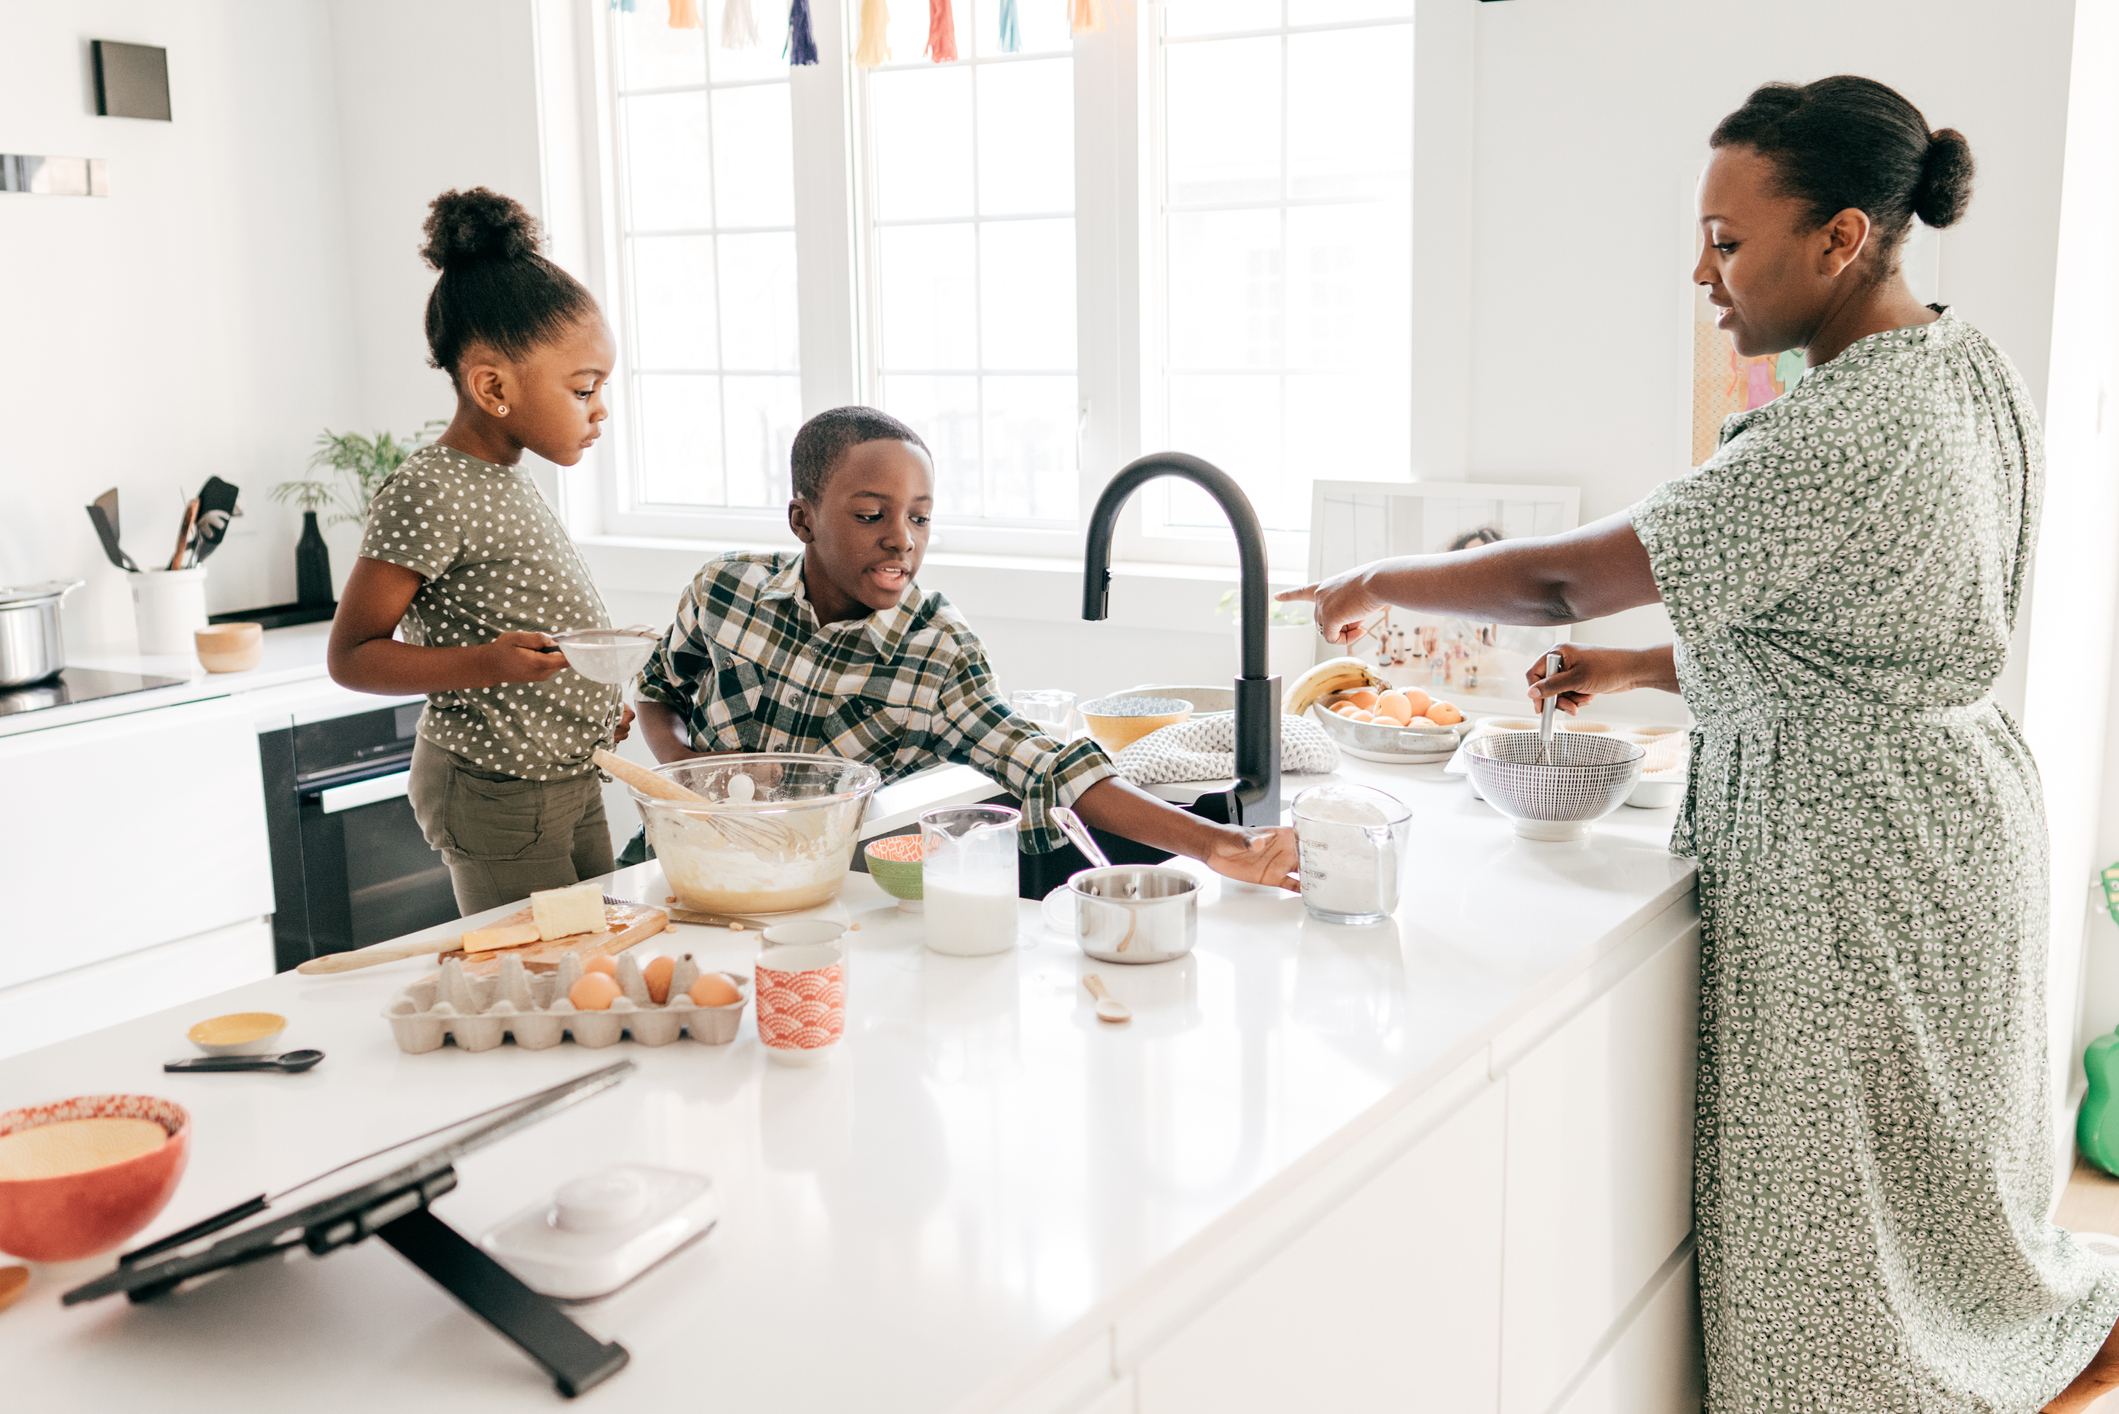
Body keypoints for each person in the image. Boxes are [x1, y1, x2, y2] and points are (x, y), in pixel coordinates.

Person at [1280, 77, 2119, 1411]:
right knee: (1928, 1187)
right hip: (1947, 813)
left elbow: (1566, 579)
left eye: (1725, 241)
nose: (1700, 272)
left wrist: (1377, 579)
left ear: (1839, 240)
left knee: (1837, 1206)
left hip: (1857, 851)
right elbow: (1858, 624)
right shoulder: (1959, 364)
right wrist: (1638, 669)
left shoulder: (1839, 425)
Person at [631, 405, 1298, 892]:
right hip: (675, 867)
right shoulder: (724, 588)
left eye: (918, 517)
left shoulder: (937, 650)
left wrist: (1218, 844)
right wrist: (692, 776)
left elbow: (1050, 769)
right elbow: (659, 689)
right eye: (871, 516)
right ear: (802, 518)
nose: (902, 540)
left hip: (812, 896)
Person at [328, 187, 633, 916]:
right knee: (547, 981)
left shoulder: (505, 478)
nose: (600, 410)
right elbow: (353, 655)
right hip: (496, 791)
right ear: (493, 386)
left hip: (566, 775)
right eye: (584, 389)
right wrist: (488, 663)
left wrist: (588, 704)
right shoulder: (430, 487)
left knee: (596, 959)